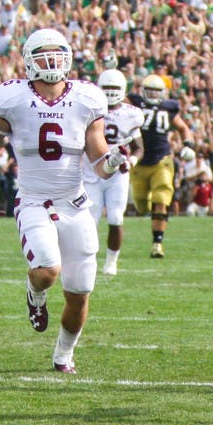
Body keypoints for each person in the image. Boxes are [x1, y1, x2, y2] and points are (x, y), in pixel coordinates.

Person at [0, 28, 128, 373]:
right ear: (28, 60)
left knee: (80, 291)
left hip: (75, 203)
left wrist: (112, 161)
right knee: (47, 271)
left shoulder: (87, 98)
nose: (52, 60)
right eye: (43, 53)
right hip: (33, 201)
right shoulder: (13, 98)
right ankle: (34, 292)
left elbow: (99, 161)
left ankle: (63, 356)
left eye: (57, 52)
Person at [127, 74, 196, 258]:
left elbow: (183, 128)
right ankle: (155, 221)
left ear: (163, 93)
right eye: (149, 90)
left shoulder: (168, 108)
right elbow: (115, 100)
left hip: (162, 160)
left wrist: (188, 143)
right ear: (142, 90)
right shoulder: (135, 103)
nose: (152, 94)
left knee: (161, 199)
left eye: (156, 91)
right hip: (139, 162)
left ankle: (157, 244)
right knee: (141, 205)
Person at [84, 69, 144, 275]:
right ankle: (87, 259)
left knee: (116, 218)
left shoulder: (131, 113)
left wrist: (131, 161)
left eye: (114, 88)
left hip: (117, 174)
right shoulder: (89, 109)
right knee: (89, 220)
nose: (110, 93)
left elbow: (139, 147)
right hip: (91, 171)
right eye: (106, 88)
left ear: (123, 90)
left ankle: (111, 262)